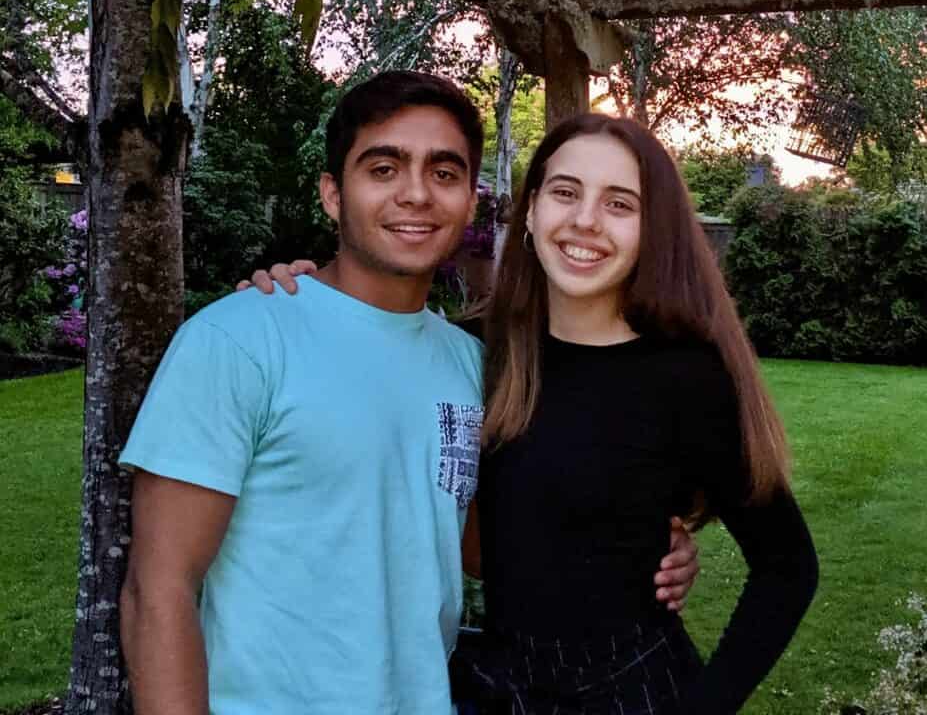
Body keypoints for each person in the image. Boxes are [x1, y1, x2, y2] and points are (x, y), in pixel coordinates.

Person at [118, 71, 698, 715]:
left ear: (471, 201)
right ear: (333, 194)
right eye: (385, 169)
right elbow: (159, 588)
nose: (417, 194)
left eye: (444, 173)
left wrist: (648, 546)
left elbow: (486, 551)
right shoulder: (238, 340)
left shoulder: (474, 365)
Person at [249, 111, 819, 714]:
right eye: (565, 192)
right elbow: (361, 343)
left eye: (620, 204)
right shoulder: (470, 355)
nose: (585, 221)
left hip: (630, 691)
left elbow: (787, 567)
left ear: (653, 230)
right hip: (496, 687)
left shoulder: (685, 378)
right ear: (530, 209)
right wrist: (295, 299)